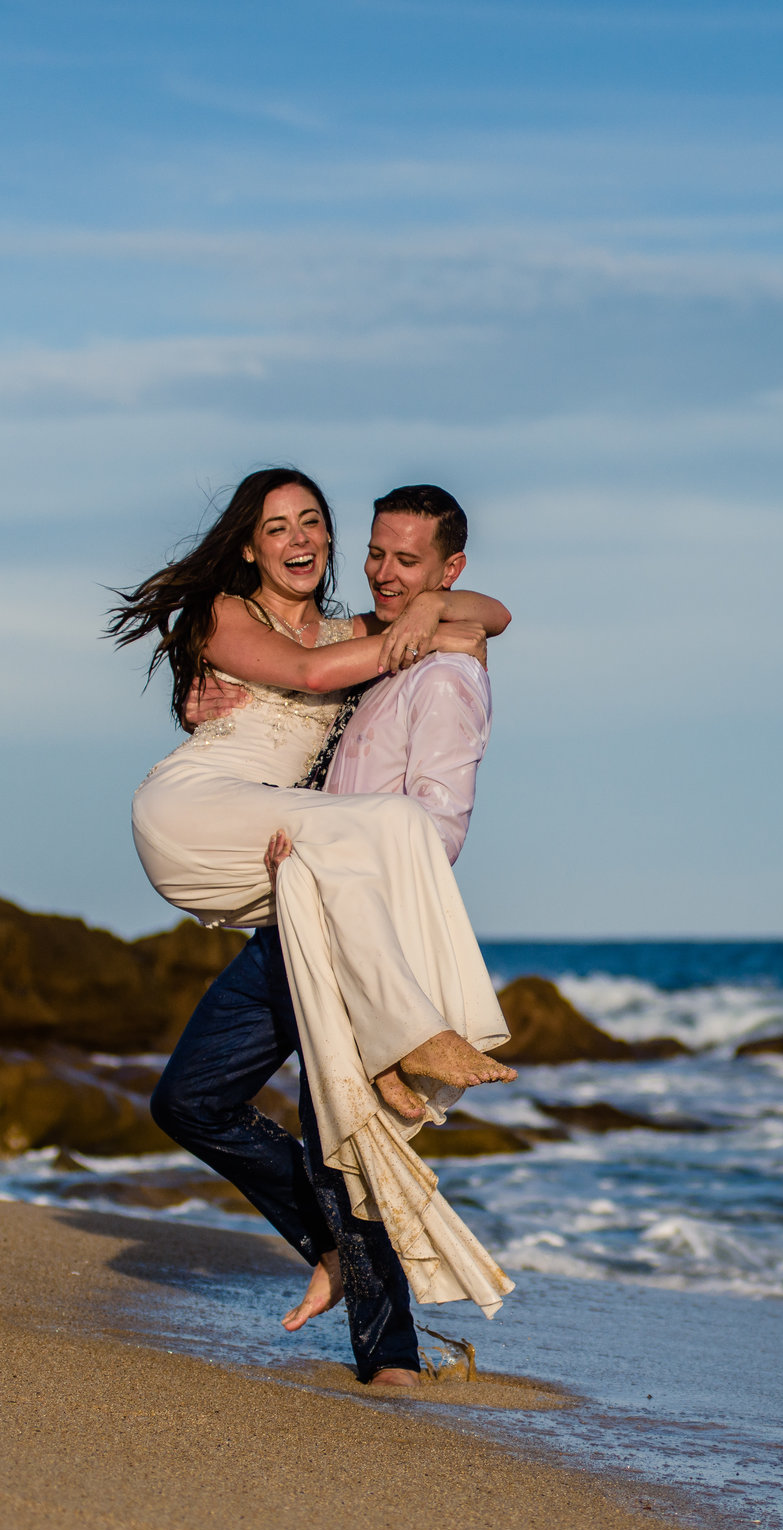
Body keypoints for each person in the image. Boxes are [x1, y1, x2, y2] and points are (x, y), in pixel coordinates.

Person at [108, 469, 515, 1386]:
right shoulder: (228, 613)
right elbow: (304, 676)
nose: (301, 539)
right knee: (387, 828)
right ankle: (415, 1035)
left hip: (303, 880)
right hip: (202, 818)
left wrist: (437, 607)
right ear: (249, 547)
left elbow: (495, 616)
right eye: (276, 527)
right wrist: (418, 625)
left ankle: (368, 1312)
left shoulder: (360, 627)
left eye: (313, 523)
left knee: (195, 1101)